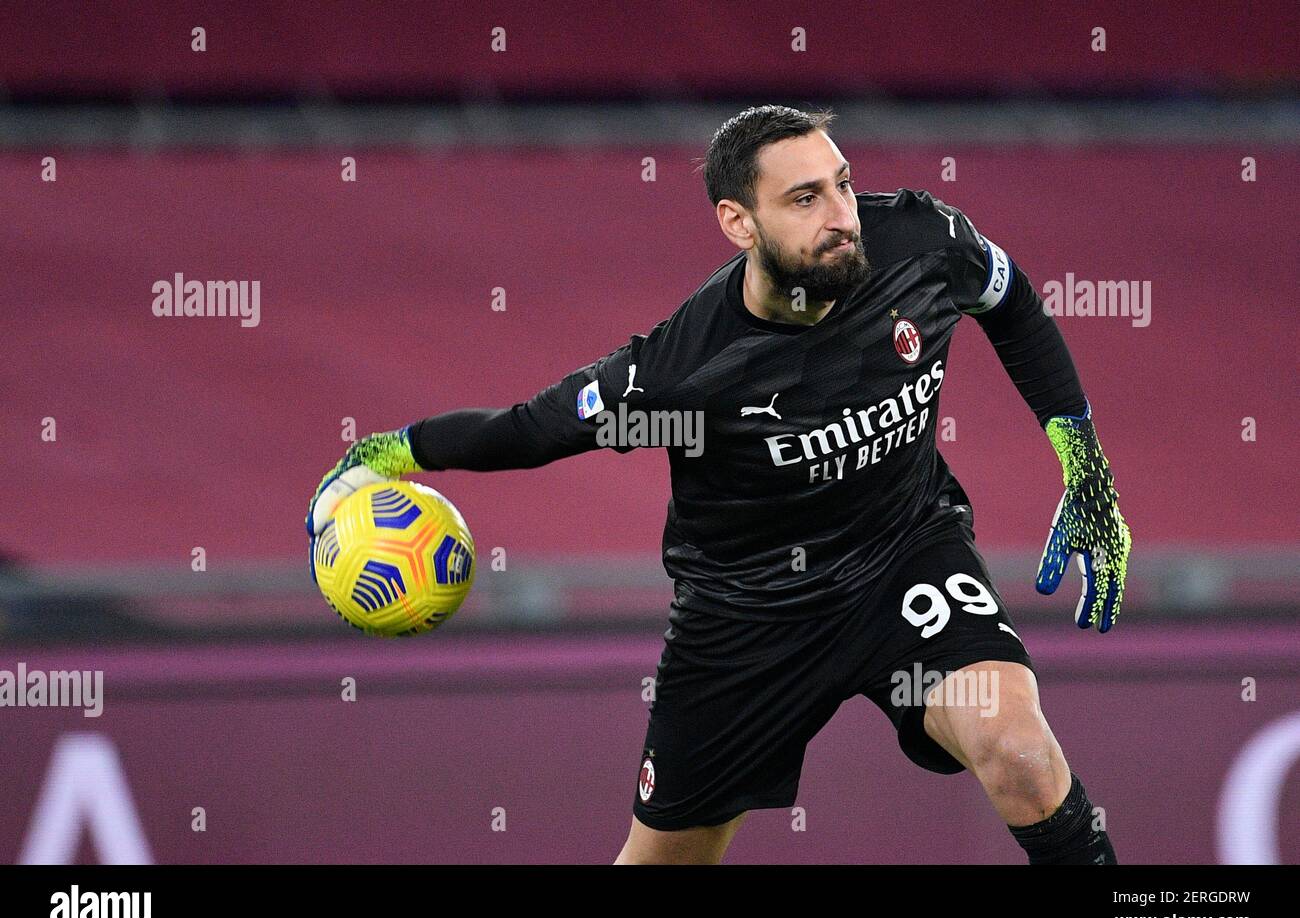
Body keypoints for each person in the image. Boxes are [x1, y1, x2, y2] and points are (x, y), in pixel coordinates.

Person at [307, 105, 1131, 865]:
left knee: (1019, 749)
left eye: (842, 184)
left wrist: (1082, 459)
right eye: (804, 198)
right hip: (743, 619)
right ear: (739, 222)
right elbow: (526, 430)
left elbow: (1015, 303)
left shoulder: (921, 241)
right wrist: (387, 454)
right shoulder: (678, 369)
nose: (842, 214)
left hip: (904, 559)